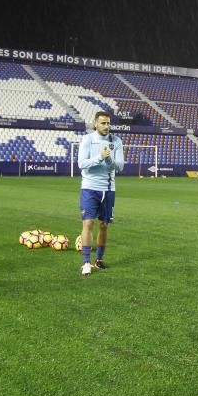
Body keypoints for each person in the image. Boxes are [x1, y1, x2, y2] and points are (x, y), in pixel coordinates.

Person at [77, 111, 125, 276]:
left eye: (108, 123)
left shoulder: (116, 141)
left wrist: (109, 160)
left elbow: (119, 166)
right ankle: (86, 262)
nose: (106, 126)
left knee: (104, 225)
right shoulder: (88, 139)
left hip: (108, 189)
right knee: (88, 223)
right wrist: (100, 157)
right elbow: (82, 163)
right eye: (103, 123)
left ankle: (99, 260)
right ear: (95, 123)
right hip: (90, 188)